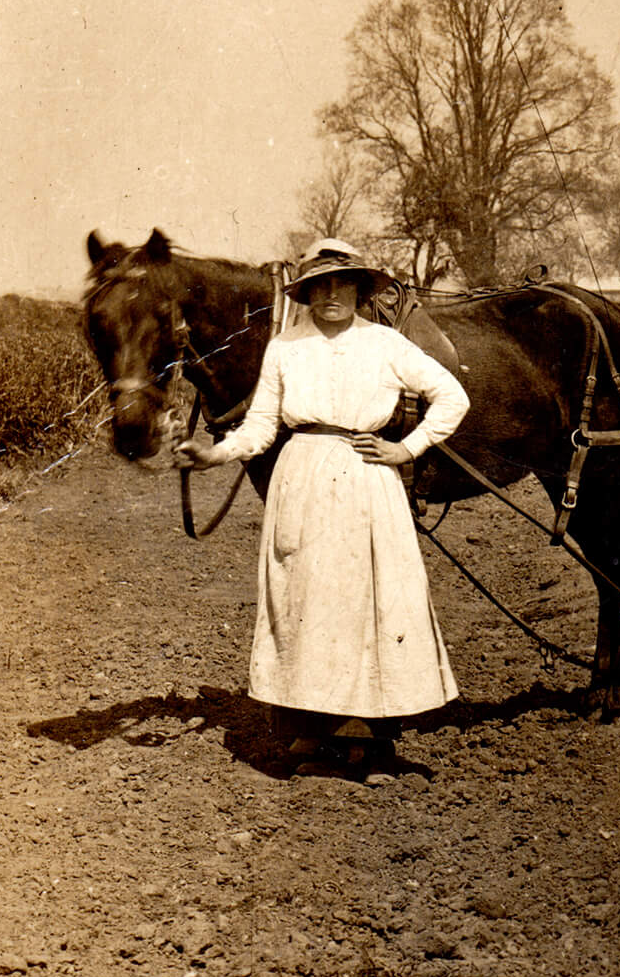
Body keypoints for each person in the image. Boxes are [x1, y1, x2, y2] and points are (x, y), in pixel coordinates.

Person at [176, 239, 469, 776]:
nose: (332, 294)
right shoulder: (285, 347)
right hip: (303, 479)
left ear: (360, 290)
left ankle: (369, 741)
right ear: (306, 293)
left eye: (343, 284)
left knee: (369, 602)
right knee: (305, 601)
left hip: (366, 480)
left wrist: (406, 448)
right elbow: (261, 426)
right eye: (320, 286)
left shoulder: (385, 343)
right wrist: (213, 454)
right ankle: (312, 734)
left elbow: (453, 396)